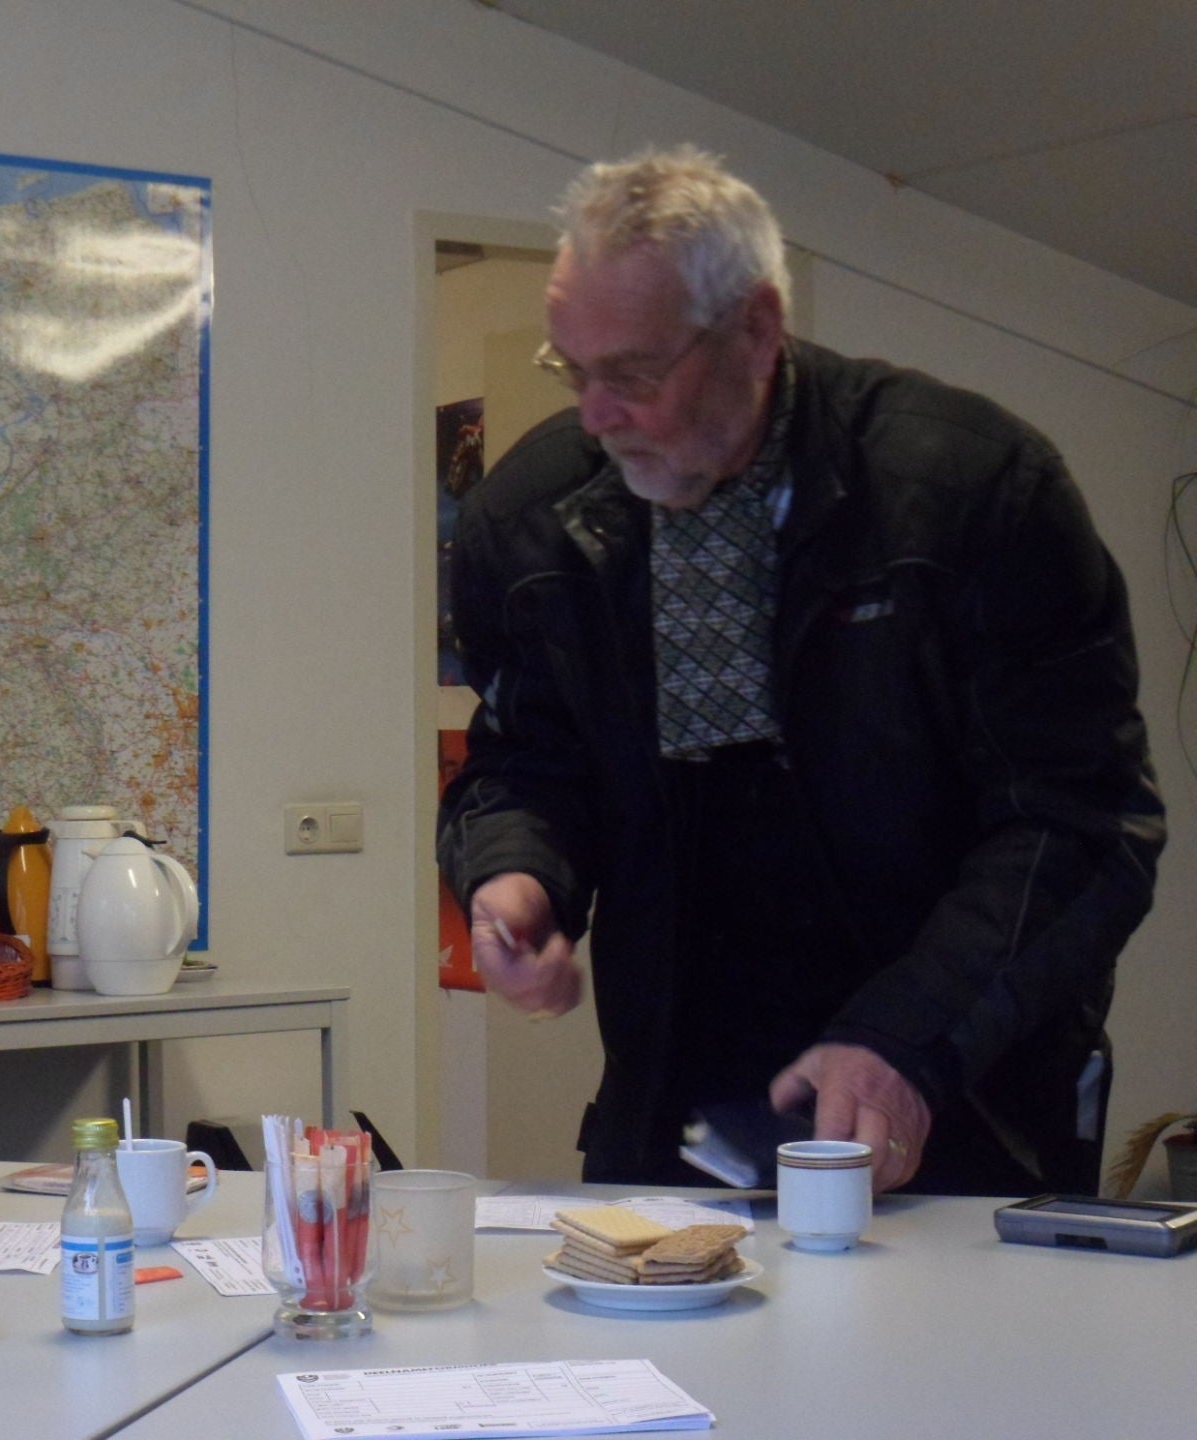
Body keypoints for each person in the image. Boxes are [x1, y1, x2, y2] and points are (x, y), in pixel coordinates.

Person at [438, 147, 1164, 1197]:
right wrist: (515, 879)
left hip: (960, 1093)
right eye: (573, 370)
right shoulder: (533, 515)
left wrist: (906, 1040)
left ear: (757, 329)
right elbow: (525, 760)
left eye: (633, 375)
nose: (595, 415)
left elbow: (1081, 825)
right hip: (673, 1101)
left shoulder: (972, 492)